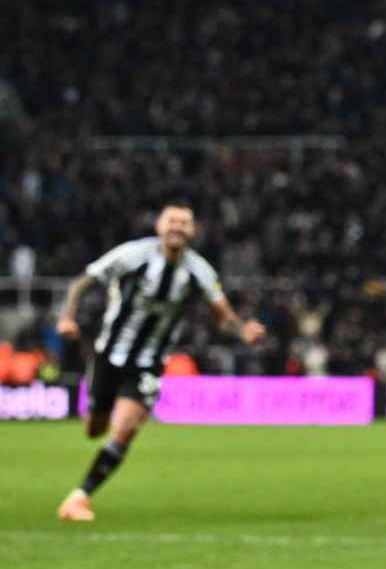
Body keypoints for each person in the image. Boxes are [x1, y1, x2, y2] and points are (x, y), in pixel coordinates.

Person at [54, 203, 266, 521]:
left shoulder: (199, 271)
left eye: (184, 223)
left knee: (125, 428)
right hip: (108, 354)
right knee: (94, 428)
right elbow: (80, 283)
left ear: (193, 231)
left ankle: (78, 498)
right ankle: (99, 422)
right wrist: (67, 318)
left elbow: (223, 316)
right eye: (171, 221)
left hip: (149, 361)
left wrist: (243, 330)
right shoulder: (133, 255)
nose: (177, 227)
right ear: (159, 226)